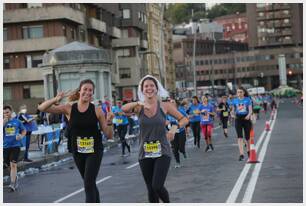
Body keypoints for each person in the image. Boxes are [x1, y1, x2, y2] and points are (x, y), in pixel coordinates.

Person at [38, 79, 114, 203]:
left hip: (94, 151)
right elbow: (42, 108)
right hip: (77, 151)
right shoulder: (69, 108)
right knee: (90, 183)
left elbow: (109, 135)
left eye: (90, 90)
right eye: (85, 89)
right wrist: (55, 99)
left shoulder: (97, 110)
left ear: (92, 93)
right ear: (79, 91)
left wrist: (110, 121)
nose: (87, 92)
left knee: (88, 183)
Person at [121, 75, 189, 203]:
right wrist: (138, 102)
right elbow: (123, 109)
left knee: (157, 185)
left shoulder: (164, 106)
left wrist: (174, 128)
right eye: (146, 86)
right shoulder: (139, 107)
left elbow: (184, 119)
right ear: (142, 90)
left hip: (162, 150)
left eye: (152, 86)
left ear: (156, 89)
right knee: (150, 189)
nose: (149, 88)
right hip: (144, 152)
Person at [3, 105, 27, 192]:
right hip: (5, 147)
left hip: (15, 146)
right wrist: (4, 122)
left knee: (13, 164)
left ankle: (12, 183)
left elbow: (24, 130)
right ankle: (15, 176)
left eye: (7, 112)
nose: (5, 114)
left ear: (11, 112)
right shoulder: (2, 122)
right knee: (7, 165)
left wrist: (21, 136)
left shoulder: (17, 122)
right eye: (4, 113)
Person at [231, 87, 253, 161]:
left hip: (246, 119)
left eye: (241, 92)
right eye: (238, 92)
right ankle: (241, 154)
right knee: (239, 137)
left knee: (247, 137)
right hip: (238, 119)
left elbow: (250, 110)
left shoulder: (248, 99)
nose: (239, 93)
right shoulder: (234, 100)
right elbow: (232, 110)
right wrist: (232, 114)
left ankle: (249, 151)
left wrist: (248, 115)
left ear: (244, 92)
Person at [166, 99, 188, 168]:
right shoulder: (167, 112)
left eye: (173, 102)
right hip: (172, 130)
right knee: (174, 148)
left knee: (181, 147)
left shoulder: (180, 111)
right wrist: (168, 125)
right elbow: (165, 121)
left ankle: (183, 151)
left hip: (181, 130)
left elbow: (186, 119)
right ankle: (178, 162)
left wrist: (183, 125)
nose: (171, 103)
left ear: (176, 104)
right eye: (170, 103)